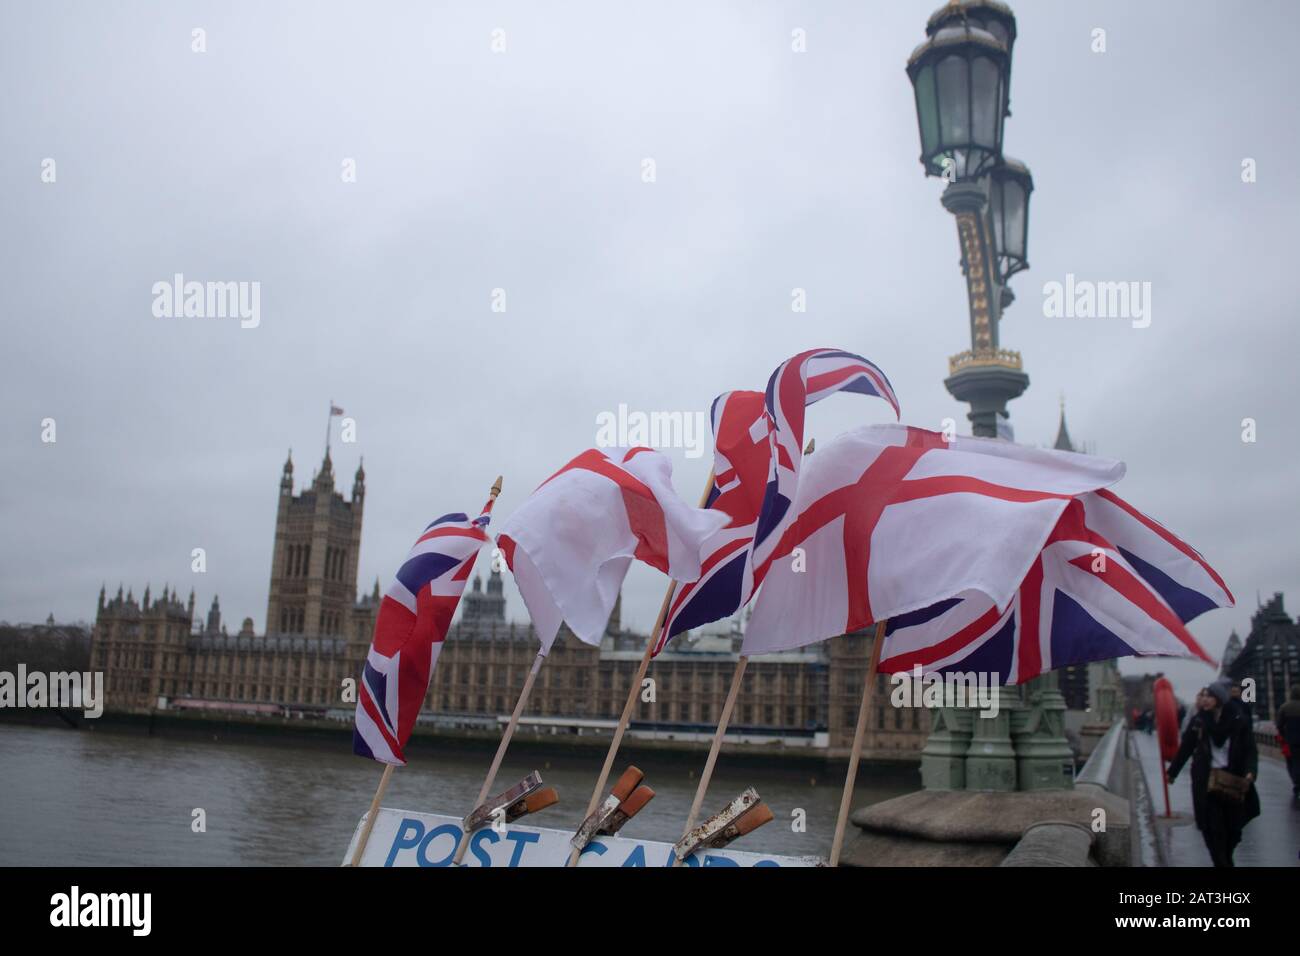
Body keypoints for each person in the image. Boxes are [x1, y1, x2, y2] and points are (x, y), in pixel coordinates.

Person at [1167, 679, 1260, 866]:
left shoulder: (1238, 721)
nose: (1206, 700)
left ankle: (1225, 858)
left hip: (1233, 781)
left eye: (1210, 696)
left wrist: (1250, 771)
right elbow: (1186, 748)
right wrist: (1173, 772)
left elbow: (1250, 749)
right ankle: (1222, 863)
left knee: (1233, 831)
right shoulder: (1199, 721)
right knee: (1213, 830)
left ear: (1220, 699)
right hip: (1207, 783)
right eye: (1205, 696)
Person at [1276, 684, 1300, 804]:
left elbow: (1279, 725)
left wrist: (1284, 735)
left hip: (1292, 740)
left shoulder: (1285, 707)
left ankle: (1297, 783)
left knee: (1293, 762)